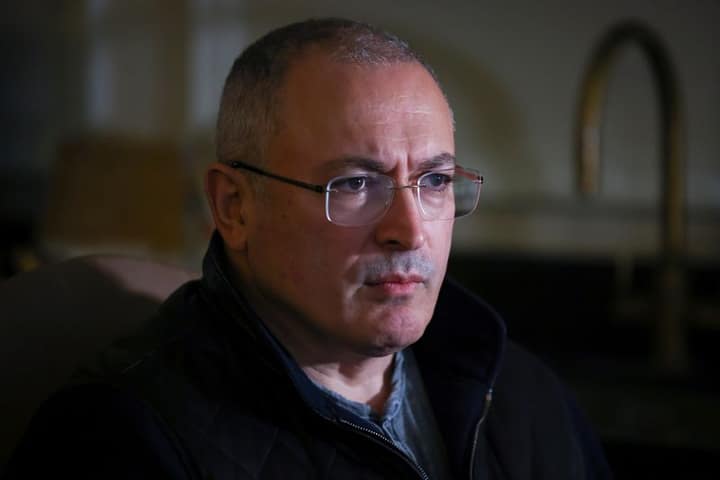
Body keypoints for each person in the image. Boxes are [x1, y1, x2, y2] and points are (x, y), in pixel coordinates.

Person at [3, 18, 611, 479]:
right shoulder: (121, 438)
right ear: (235, 206)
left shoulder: (518, 395)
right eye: (355, 184)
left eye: (433, 181)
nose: (409, 230)